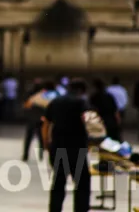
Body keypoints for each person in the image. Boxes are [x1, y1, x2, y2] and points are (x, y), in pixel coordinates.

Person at [41, 80, 91, 212]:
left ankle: (54, 209)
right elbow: (89, 123)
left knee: (58, 182)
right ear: (82, 90)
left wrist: (46, 142)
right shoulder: (82, 103)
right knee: (82, 183)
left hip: (58, 147)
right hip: (77, 148)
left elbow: (46, 124)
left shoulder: (56, 102)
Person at [22, 81, 57, 162]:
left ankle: (25, 155)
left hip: (32, 119)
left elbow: (27, 105)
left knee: (29, 138)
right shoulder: (50, 94)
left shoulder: (36, 95)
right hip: (42, 119)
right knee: (41, 138)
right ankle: (40, 156)